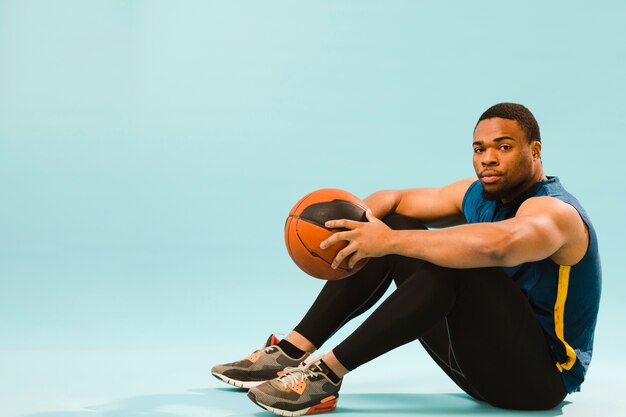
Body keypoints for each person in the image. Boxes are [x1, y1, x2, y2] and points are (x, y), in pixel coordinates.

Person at [211, 103, 601, 416]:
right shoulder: (479, 195)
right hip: (474, 365)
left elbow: (500, 246)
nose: (488, 159)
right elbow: (394, 201)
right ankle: (291, 352)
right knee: (393, 224)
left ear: (534, 151)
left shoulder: (556, 214)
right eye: (479, 149)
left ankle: (323, 376)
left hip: (535, 383)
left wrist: (389, 241)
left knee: (453, 261)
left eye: (504, 146)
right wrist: (354, 224)